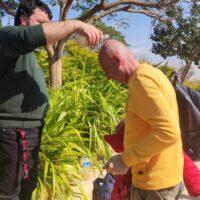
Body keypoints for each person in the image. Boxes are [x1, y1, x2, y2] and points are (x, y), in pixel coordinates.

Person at [0, 0, 104, 199]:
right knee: (8, 194)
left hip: (26, 133)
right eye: (41, 22)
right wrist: (75, 24)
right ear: (23, 20)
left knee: (25, 190)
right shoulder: (7, 35)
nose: (46, 28)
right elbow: (29, 37)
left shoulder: (28, 54)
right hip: (13, 133)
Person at [99, 39, 184, 200]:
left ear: (118, 60)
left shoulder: (141, 82)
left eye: (106, 71)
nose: (108, 77)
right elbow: (158, 115)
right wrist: (129, 121)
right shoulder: (151, 73)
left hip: (154, 184)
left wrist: (124, 160)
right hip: (163, 178)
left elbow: (169, 132)